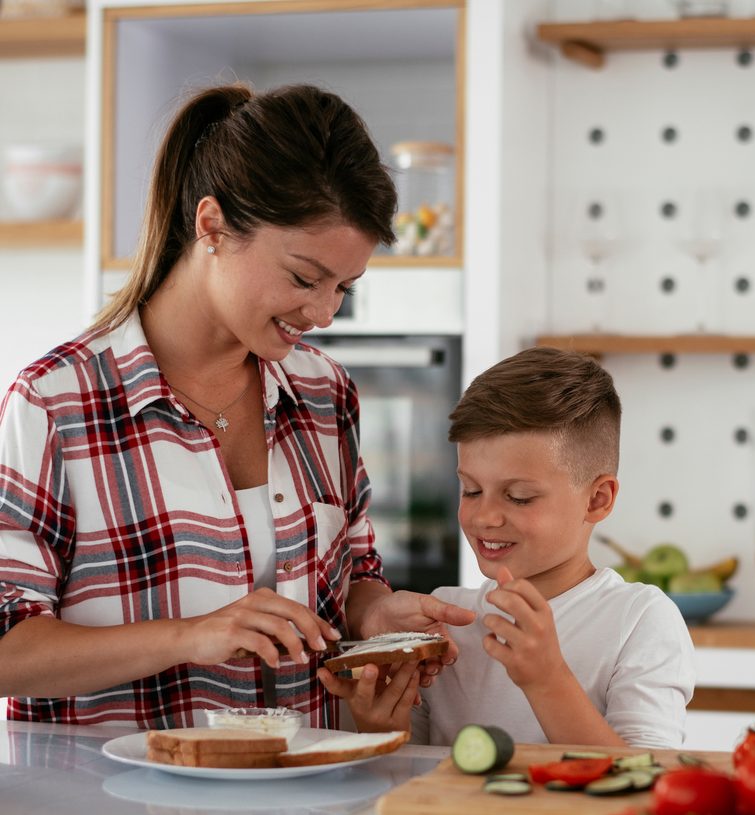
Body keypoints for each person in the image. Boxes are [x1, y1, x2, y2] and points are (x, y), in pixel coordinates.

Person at [0, 82, 473, 729]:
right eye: (305, 278)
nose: (324, 312)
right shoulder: (56, 402)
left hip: (305, 802)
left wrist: (374, 614)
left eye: (344, 287)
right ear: (212, 225)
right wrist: (194, 635)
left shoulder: (324, 393)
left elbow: (354, 573)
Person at [404, 347, 695, 749]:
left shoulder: (639, 620)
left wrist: (546, 679)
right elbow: (403, 773)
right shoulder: (447, 618)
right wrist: (373, 720)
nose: (484, 516)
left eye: (519, 497)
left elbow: (647, 781)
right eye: (471, 489)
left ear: (597, 500)